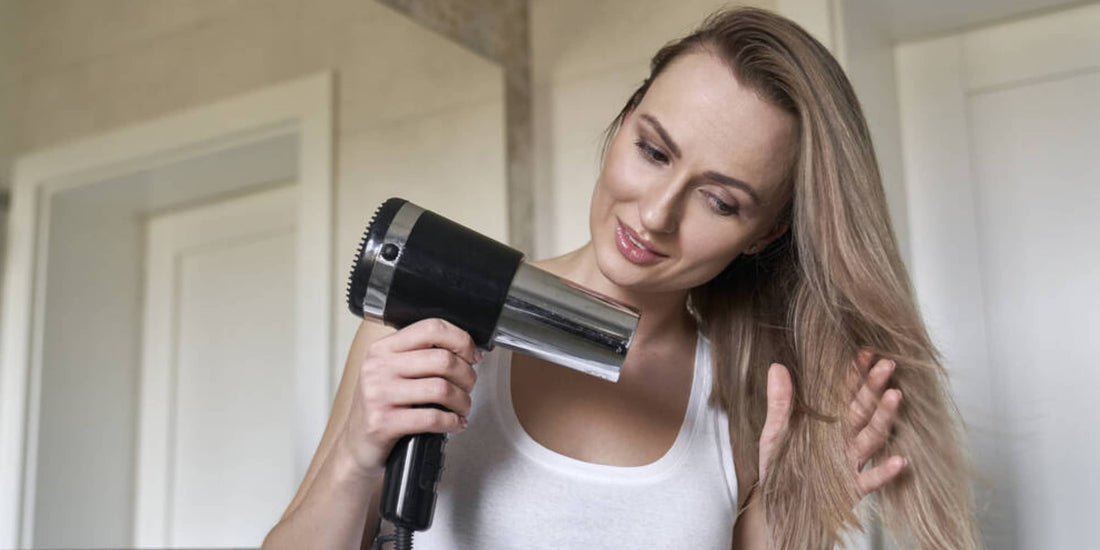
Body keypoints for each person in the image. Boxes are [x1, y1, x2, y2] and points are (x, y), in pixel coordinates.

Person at [263, 7, 981, 549]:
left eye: (721, 200)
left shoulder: (754, 405)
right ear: (624, 119)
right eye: (654, 150)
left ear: (764, 234)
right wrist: (357, 456)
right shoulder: (423, 324)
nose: (657, 214)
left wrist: (793, 524)